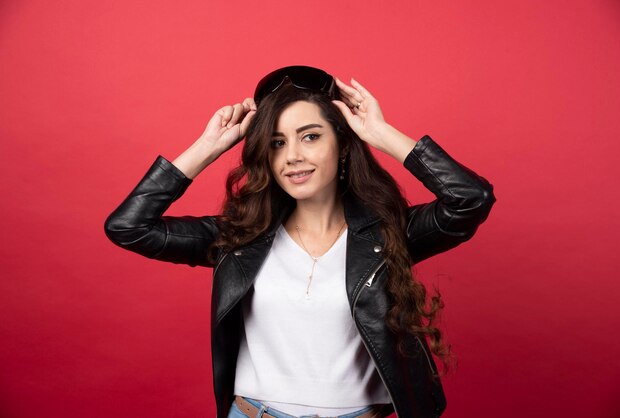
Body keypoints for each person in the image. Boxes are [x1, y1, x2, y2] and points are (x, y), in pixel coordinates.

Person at [104, 65, 496, 418]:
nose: (292, 156)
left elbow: (470, 199)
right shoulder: (241, 237)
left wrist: (380, 134)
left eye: (310, 137)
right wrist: (207, 148)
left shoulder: (388, 235)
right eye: (276, 143)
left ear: (342, 146)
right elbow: (128, 227)